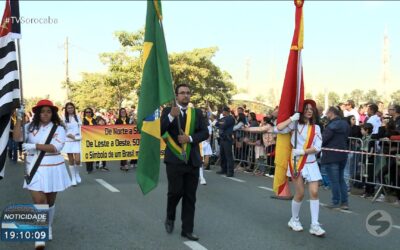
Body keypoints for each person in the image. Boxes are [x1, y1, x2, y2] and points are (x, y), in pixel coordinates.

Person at [13, 99, 71, 249]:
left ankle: (48, 226)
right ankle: (40, 234)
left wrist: (34, 146)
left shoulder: (59, 129)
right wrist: (19, 119)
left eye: (48, 111)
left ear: (53, 113)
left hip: (53, 168)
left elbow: (56, 147)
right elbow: (17, 138)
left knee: (50, 202)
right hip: (34, 168)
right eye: (42, 111)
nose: (45, 114)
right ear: (37, 113)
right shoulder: (29, 127)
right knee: (40, 202)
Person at [161, 84, 208, 241]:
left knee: (190, 196)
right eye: (182, 93)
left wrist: (190, 138)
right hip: (174, 159)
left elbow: (205, 132)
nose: (185, 96)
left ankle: (187, 230)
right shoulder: (168, 111)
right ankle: (170, 216)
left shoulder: (197, 113)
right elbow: (160, 130)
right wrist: (171, 117)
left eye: (188, 93)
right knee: (175, 192)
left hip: (192, 160)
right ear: (176, 96)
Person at [275, 99, 325, 237]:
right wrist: (291, 118)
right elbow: (278, 128)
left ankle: (315, 225)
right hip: (296, 162)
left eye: (311, 109)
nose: (309, 111)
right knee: (301, 193)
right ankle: (294, 219)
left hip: (311, 162)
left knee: (314, 192)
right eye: (307, 108)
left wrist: (302, 151)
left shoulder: (317, 128)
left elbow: (317, 147)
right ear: (302, 111)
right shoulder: (295, 124)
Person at [321, 107, 350, 210]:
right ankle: (344, 202)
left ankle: (335, 201)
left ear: (331, 113)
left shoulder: (331, 126)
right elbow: (346, 137)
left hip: (331, 155)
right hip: (342, 154)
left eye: (327, 113)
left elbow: (323, 139)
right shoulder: (345, 124)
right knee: (340, 179)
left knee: (334, 181)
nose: (326, 115)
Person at [62, 102, 82, 186]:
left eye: (71, 107)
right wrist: (69, 135)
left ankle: (77, 173)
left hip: (76, 140)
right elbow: (63, 131)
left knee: (77, 160)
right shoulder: (64, 119)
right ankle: (73, 178)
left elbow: (81, 129)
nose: (70, 109)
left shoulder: (77, 117)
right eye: (68, 108)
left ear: (74, 108)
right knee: (71, 160)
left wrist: (76, 137)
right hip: (68, 141)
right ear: (66, 109)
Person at [216, 106, 236, 177]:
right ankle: (223, 169)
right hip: (222, 138)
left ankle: (230, 171)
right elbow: (217, 124)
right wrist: (221, 123)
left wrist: (220, 124)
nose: (222, 112)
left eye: (223, 111)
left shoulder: (231, 118)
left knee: (228, 155)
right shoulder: (223, 118)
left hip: (227, 138)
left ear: (227, 111)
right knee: (222, 155)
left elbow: (223, 125)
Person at [82, 107, 97, 173]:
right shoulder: (83, 120)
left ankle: (91, 166)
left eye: (89, 112)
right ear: (85, 113)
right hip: (86, 139)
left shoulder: (94, 120)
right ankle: (88, 168)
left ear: (91, 113)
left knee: (92, 154)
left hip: (93, 139)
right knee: (88, 154)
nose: (88, 113)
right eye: (87, 112)